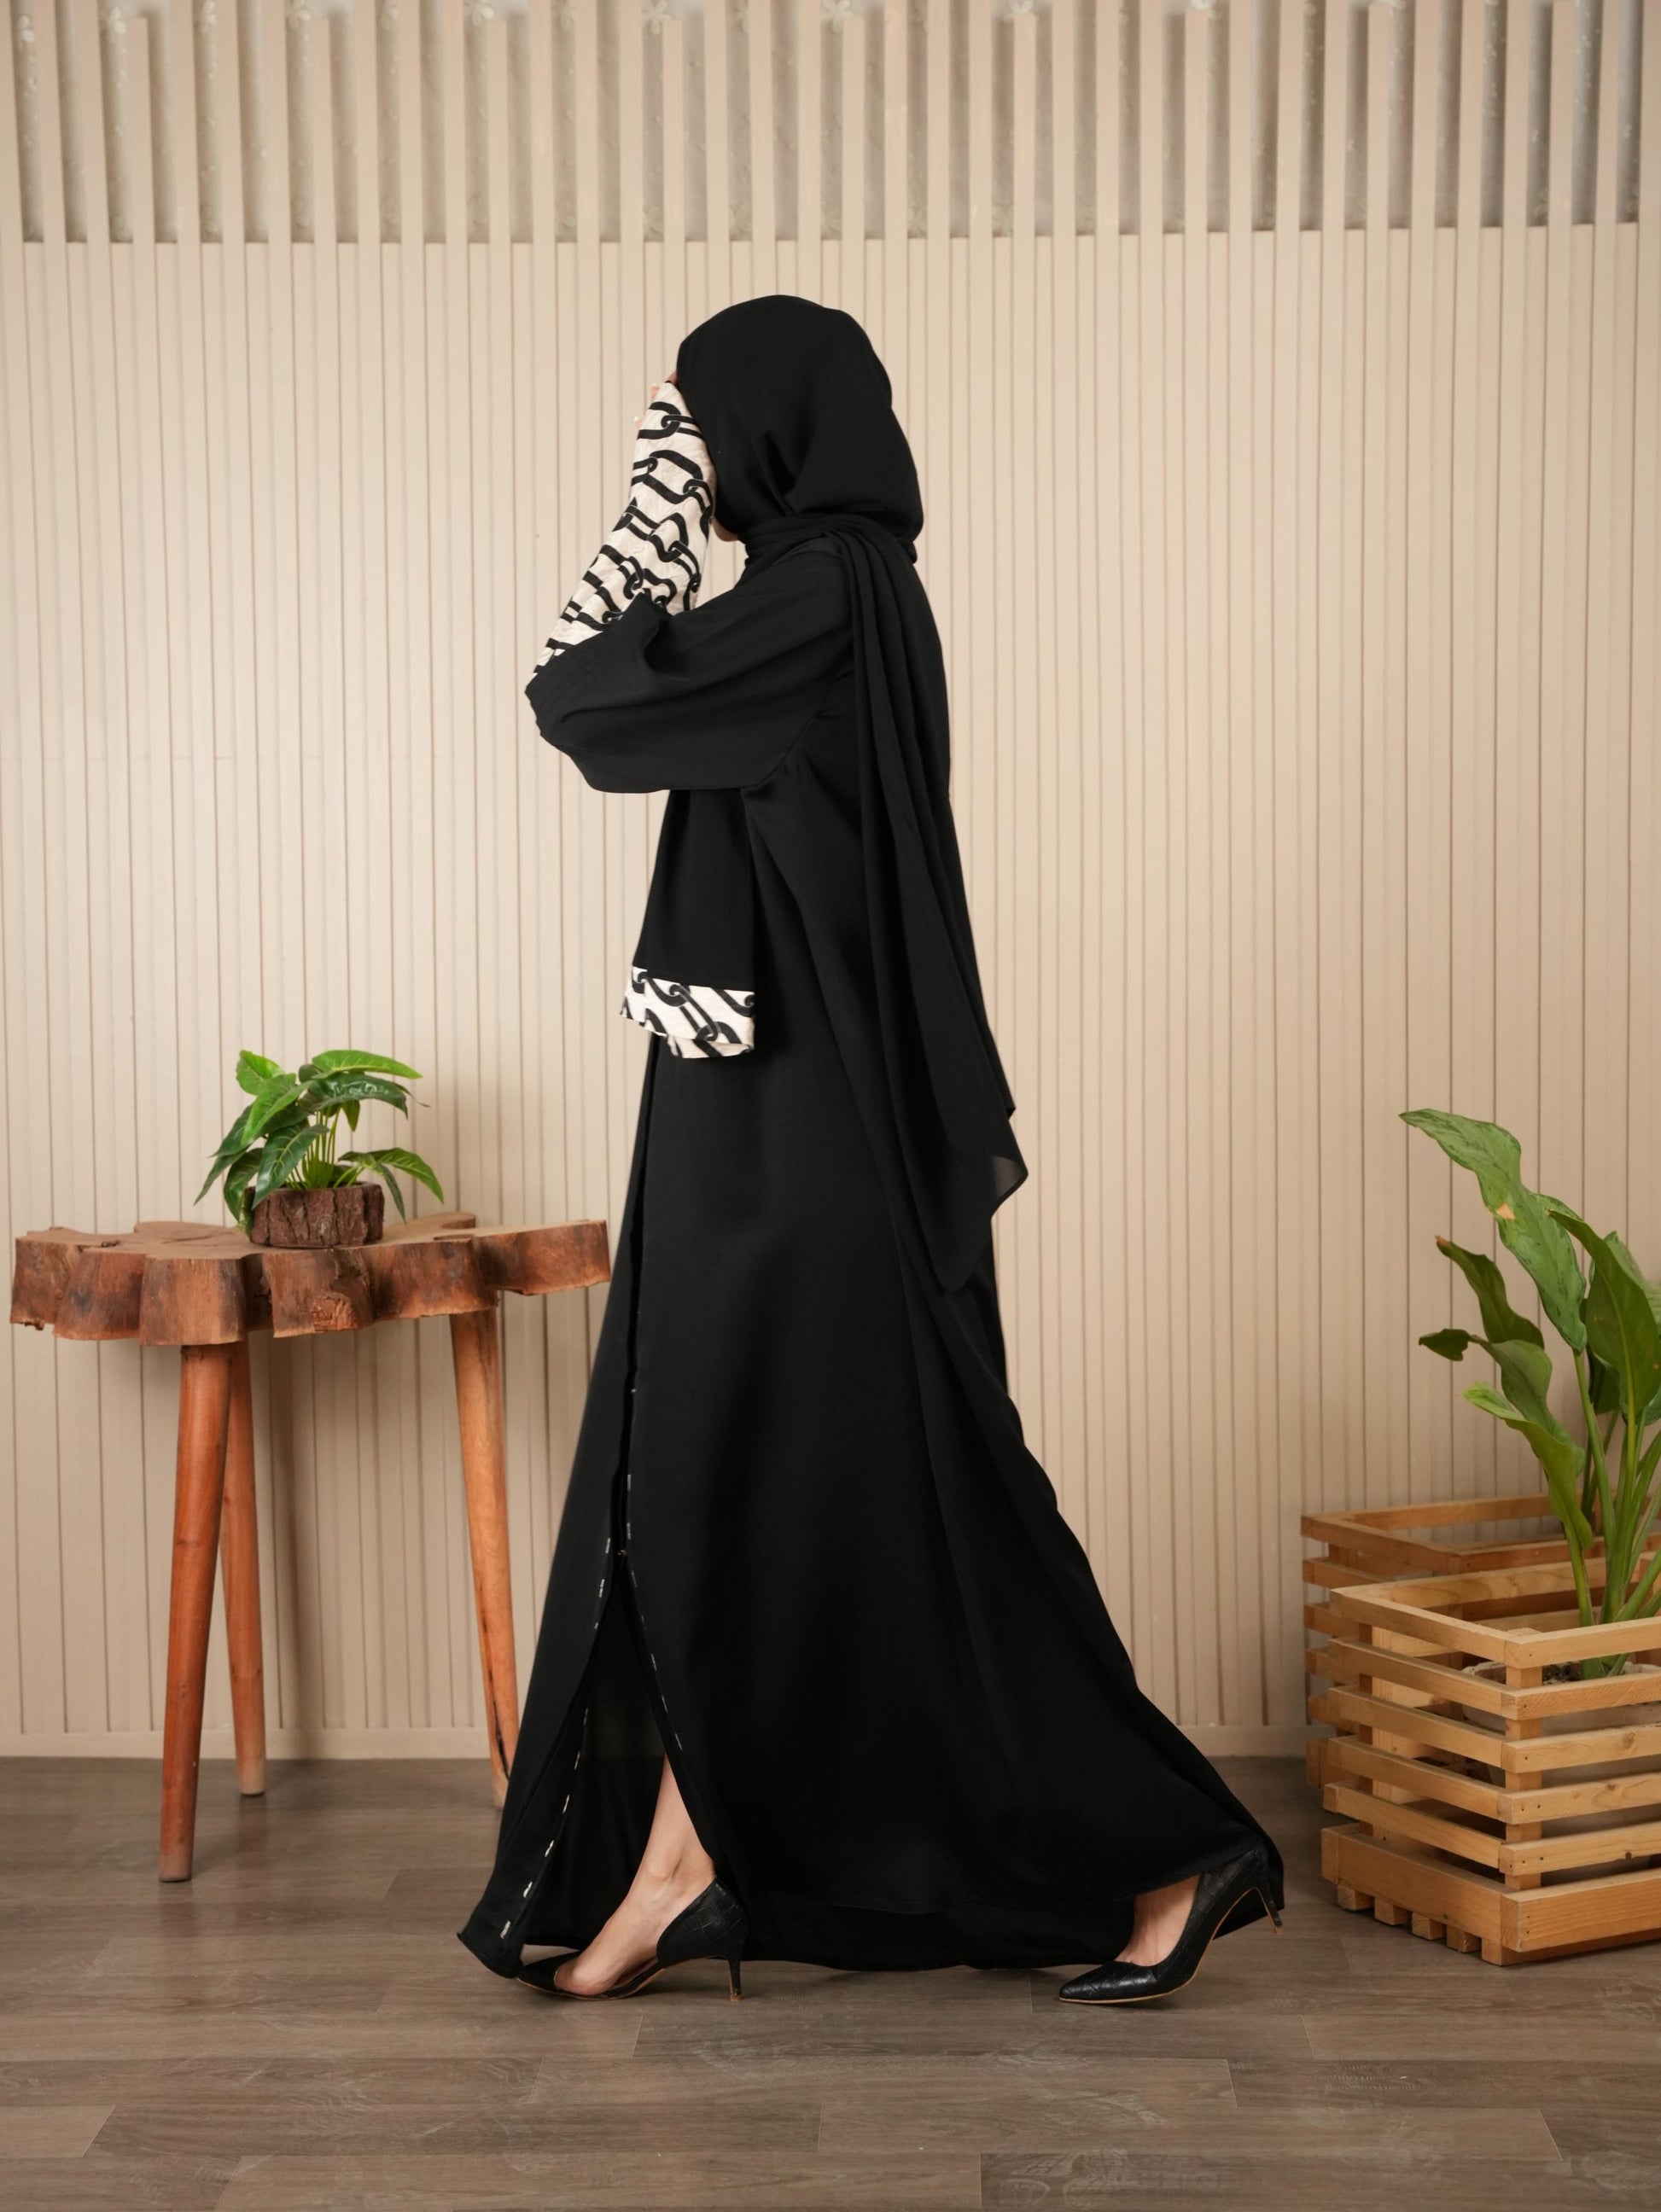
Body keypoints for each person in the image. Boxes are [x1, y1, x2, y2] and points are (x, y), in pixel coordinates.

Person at [459, 294, 1284, 2009]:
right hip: (770, 1113)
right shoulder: (844, 593)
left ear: (758, 429)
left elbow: (573, 694)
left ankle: (1169, 1848)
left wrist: (650, 501)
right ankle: (684, 1859)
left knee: (876, 1492)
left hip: (799, 1133)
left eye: (697, 422)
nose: (687, 454)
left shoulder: (818, 595)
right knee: (766, 1483)